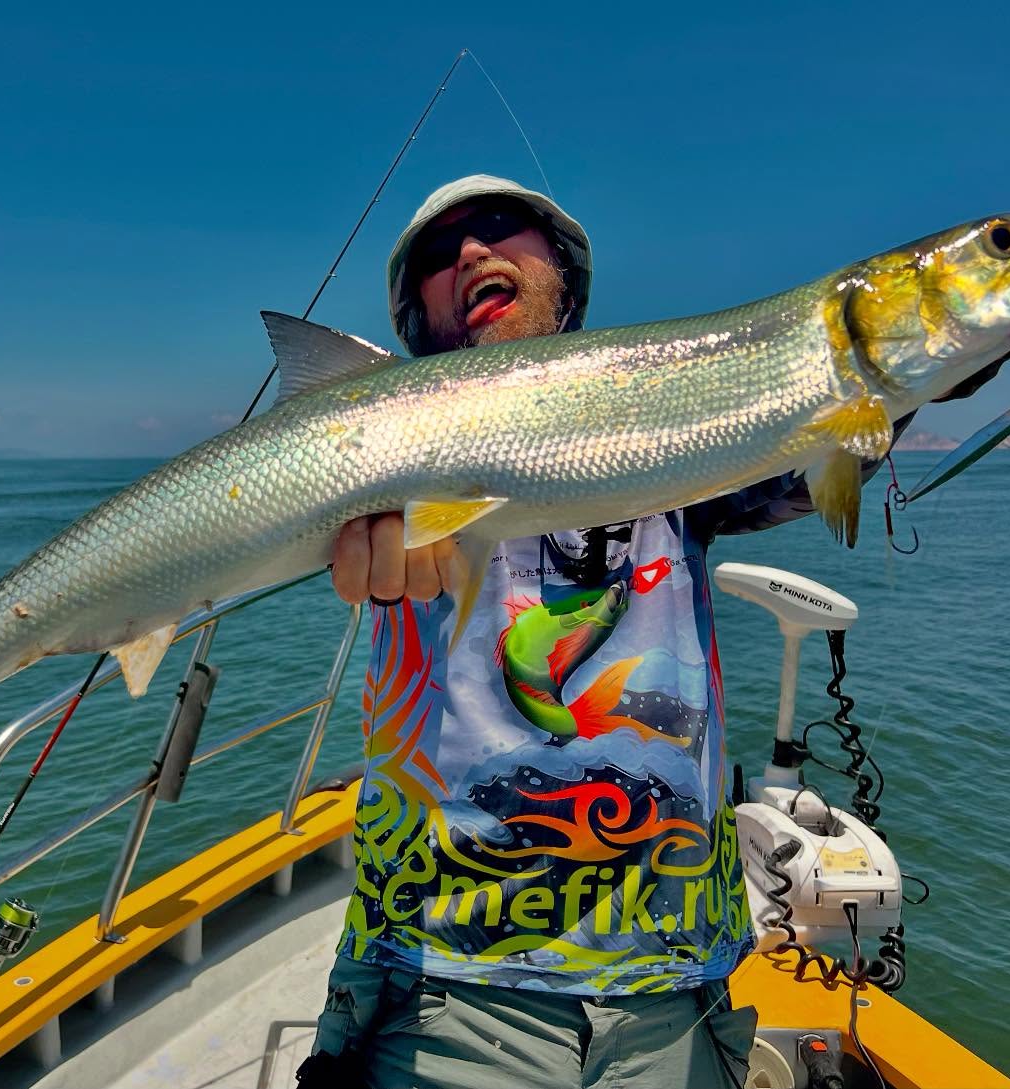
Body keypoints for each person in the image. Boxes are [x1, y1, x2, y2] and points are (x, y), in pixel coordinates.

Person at [297, 175, 934, 1089]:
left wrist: (941, 352)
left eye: (500, 227)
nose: (471, 253)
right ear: (415, 316)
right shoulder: (388, 452)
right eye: (438, 254)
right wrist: (359, 529)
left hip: (672, 975)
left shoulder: (678, 447)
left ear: (561, 268)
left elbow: (813, 451)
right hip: (444, 974)